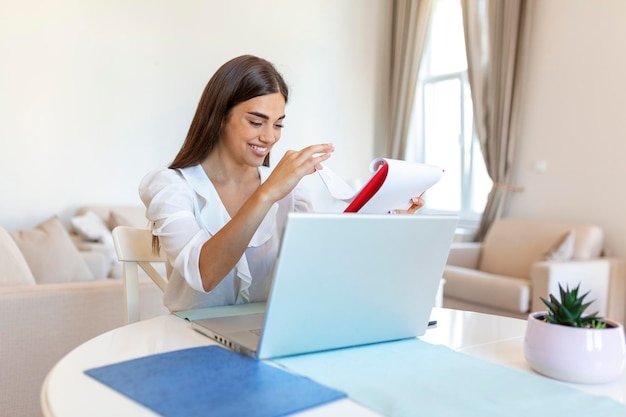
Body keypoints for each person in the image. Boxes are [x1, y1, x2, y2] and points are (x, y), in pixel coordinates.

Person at [139, 55, 423, 312]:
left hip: (266, 338)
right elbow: (205, 274)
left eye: (278, 124)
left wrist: (387, 224)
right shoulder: (171, 186)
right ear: (220, 116)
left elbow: (318, 273)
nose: (270, 137)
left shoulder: (292, 192)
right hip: (190, 344)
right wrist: (267, 193)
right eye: (256, 121)